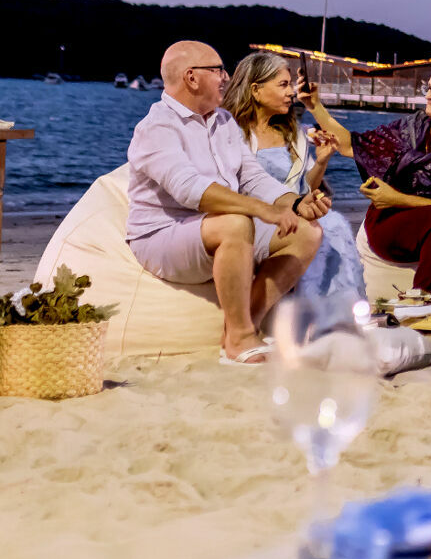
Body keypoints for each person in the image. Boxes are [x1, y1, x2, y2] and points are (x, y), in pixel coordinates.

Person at [125, 41, 328, 365]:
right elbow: (189, 189)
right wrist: (261, 209)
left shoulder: (223, 121)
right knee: (236, 222)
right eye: (218, 70)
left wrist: (295, 203)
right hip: (162, 234)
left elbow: (252, 177)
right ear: (191, 77)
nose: (226, 77)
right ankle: (239, 338)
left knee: (308, 231)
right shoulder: (156, 127)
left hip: (215, 228)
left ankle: (245, 325)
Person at [302, 58, 431, 293]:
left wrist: (396, 197)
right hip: (391, 219)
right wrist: (315, 106)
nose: (428, 96)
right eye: (427, 88)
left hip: (430, 217)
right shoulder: (411, 128)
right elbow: (351, 144)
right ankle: (428, 299)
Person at [222, 51, 365, 308]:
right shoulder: (231, 133)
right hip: (255, 217)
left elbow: (305, 189)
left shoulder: (294, 135)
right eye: (283, 85)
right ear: (255, 90)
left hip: (294, 210)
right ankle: (316, 315)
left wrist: (321, 161)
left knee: (335, 223)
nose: (292, 93)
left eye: (290, 84)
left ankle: (334, 312)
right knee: (328, 226)